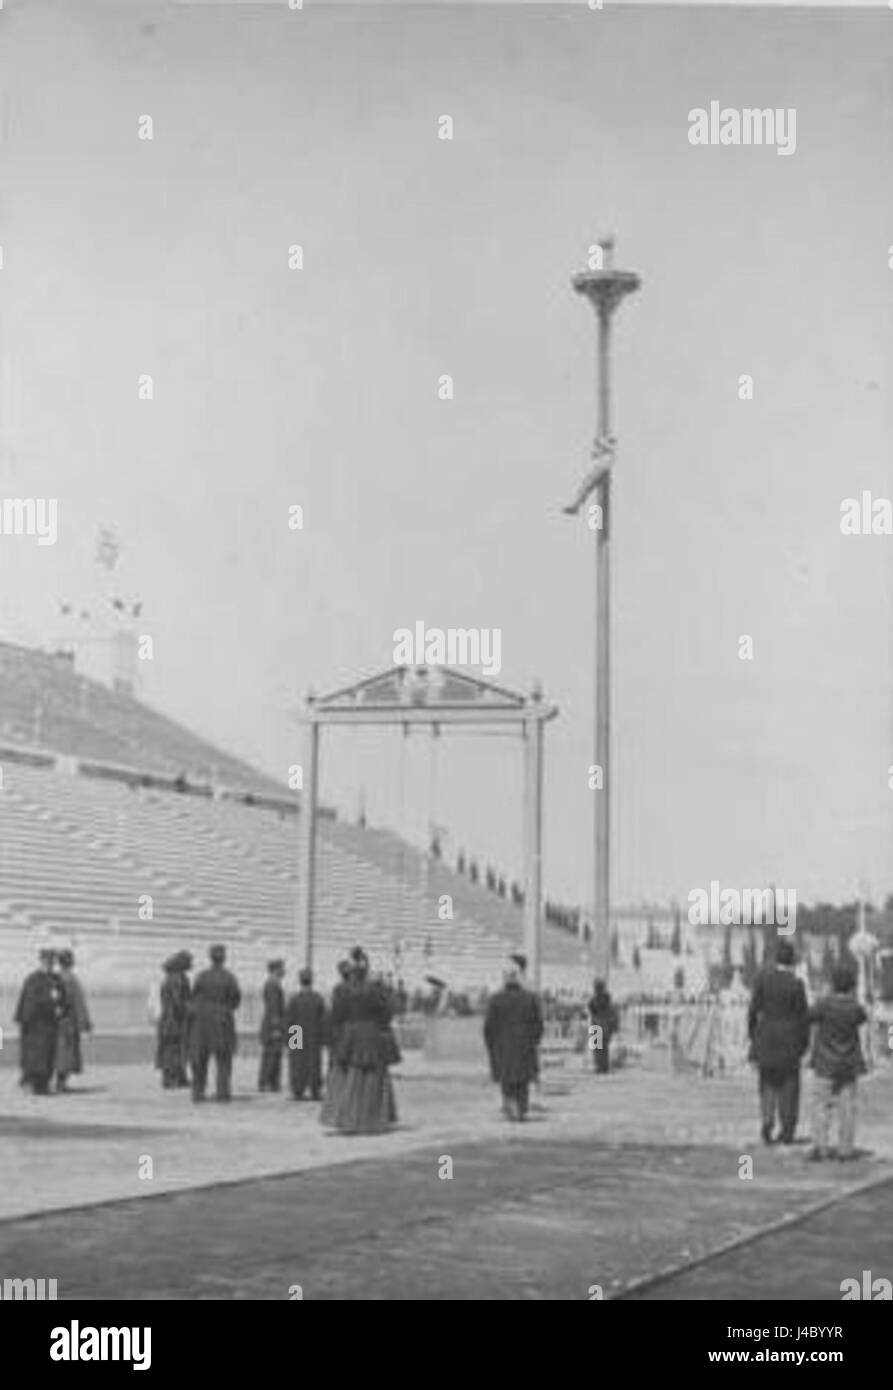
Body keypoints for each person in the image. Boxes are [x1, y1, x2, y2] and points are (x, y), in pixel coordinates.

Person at [321, 948, 399, 1134]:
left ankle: (347, 1116)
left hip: (345, 1036)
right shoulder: (375, 989)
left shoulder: (341, 990)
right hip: (370, 1035)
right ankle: (372, 1117)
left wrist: (332, 1037)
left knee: (347, 1075)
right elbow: (387, 1012)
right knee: (371, 1077)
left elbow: (335, 1016)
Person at [747, 940, 810, 1145]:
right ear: (792, 961)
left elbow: (752, 1011)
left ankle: (767, 1119)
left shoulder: (762, 981)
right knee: (789, 1087)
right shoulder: (797, 984)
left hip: (766, 1038)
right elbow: (803, 1018)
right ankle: (787, 1128)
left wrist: (753, 1037)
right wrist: (804, 1044)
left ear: (775, 959)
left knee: (767, 1083)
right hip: (790, 1041)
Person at [807, 963, 867, 1161]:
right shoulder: (855, 1007)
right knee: (847, 1106)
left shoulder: (824, 1004)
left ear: (833, 984)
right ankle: (845, 1149)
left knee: (821, 1105)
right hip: (849, 1062)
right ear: (851, 985)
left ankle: (821, 1147)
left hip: (825, 1062)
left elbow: (809, 1017)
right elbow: (862, 1018)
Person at [483, 959, 544, 1121]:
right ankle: (521, 1108)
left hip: (503, 1047)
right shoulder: (530, 998)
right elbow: (538, 1024)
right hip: (524, 1045)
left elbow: (489, 1027)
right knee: (522, 1081)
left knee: (507, 1080)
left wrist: (491, 1046)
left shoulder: (495, 999)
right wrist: (534, 1041)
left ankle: (511, 1106)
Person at [190, 944, 241, 1102]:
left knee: (200, 1058)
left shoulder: (201, 976)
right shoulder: (229, 977)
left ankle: (198, 1092)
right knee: (224, 1059)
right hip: (222, 1021)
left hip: (203, 1021)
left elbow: (194, 997)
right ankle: (222, 1092)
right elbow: (235, 1000)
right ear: (224, 958)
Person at [14, 948, 64, 1095]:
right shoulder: (32, 979)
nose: (49, 965)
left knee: (48, 1055)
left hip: (50, 1025)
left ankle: (43, 1084)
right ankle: (29, 1083)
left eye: (51, 962)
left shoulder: (56, 979)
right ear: (41, 961)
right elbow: (30, 1003)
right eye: (46, 962)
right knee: (33, 1056)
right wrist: (50, 1001)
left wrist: (60, 1006)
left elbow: (62, 999)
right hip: (35, 1025)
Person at [285, 968, 328, 1100]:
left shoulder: (294, 999)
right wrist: (324, 1037)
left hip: (296, 1032)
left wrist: (289, 1039)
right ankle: (315, 1089)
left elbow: (289, 1020)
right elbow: (324, 1019)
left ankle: (297, 1089)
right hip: (313, 1033)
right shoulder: (318, 998)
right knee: (314, 1062)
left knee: (297, 1062)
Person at [54, 949, 92, 1092]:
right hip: (69, 1021)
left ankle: (59, 1082)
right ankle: (61, 1083)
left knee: (60, 1052)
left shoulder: (56, 978)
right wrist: (85, 1022)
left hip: (58, 1021)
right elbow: (78, 1002)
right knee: (67, 1053)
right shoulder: (71, 980)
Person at [156, 952, 193, 1089]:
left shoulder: (172, 977)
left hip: (169, 1018)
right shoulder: (177, 979)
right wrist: (190, 1010)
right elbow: (178, 1002)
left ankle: (178, 1077)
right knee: (174, 1050)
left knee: (174, 1049)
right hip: (174, 1020)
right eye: (189, 961)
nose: (191, 964)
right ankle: (171, 1079)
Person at [258, 959, 286, 1092]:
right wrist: (276, 1028)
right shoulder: (272, 986)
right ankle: (267, 1082)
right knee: (271, 1054)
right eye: (281, 968)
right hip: (272, 1025)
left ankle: (270, 1081)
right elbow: (274, 1007)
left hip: (271, 1023)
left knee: (273, 1054)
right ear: (276, 970)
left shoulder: (274, 984)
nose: (284, 970)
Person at [587, 978, 620, 1075]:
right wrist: (614, 1027)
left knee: (599, 1049)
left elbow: (592, 1010)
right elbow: (613, 1014)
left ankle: (601, 1067)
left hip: (598, 1025)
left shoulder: (596, 1000)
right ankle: (603, 1067)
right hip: (601, 1026)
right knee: (602, 1049)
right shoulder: (605, 1000)